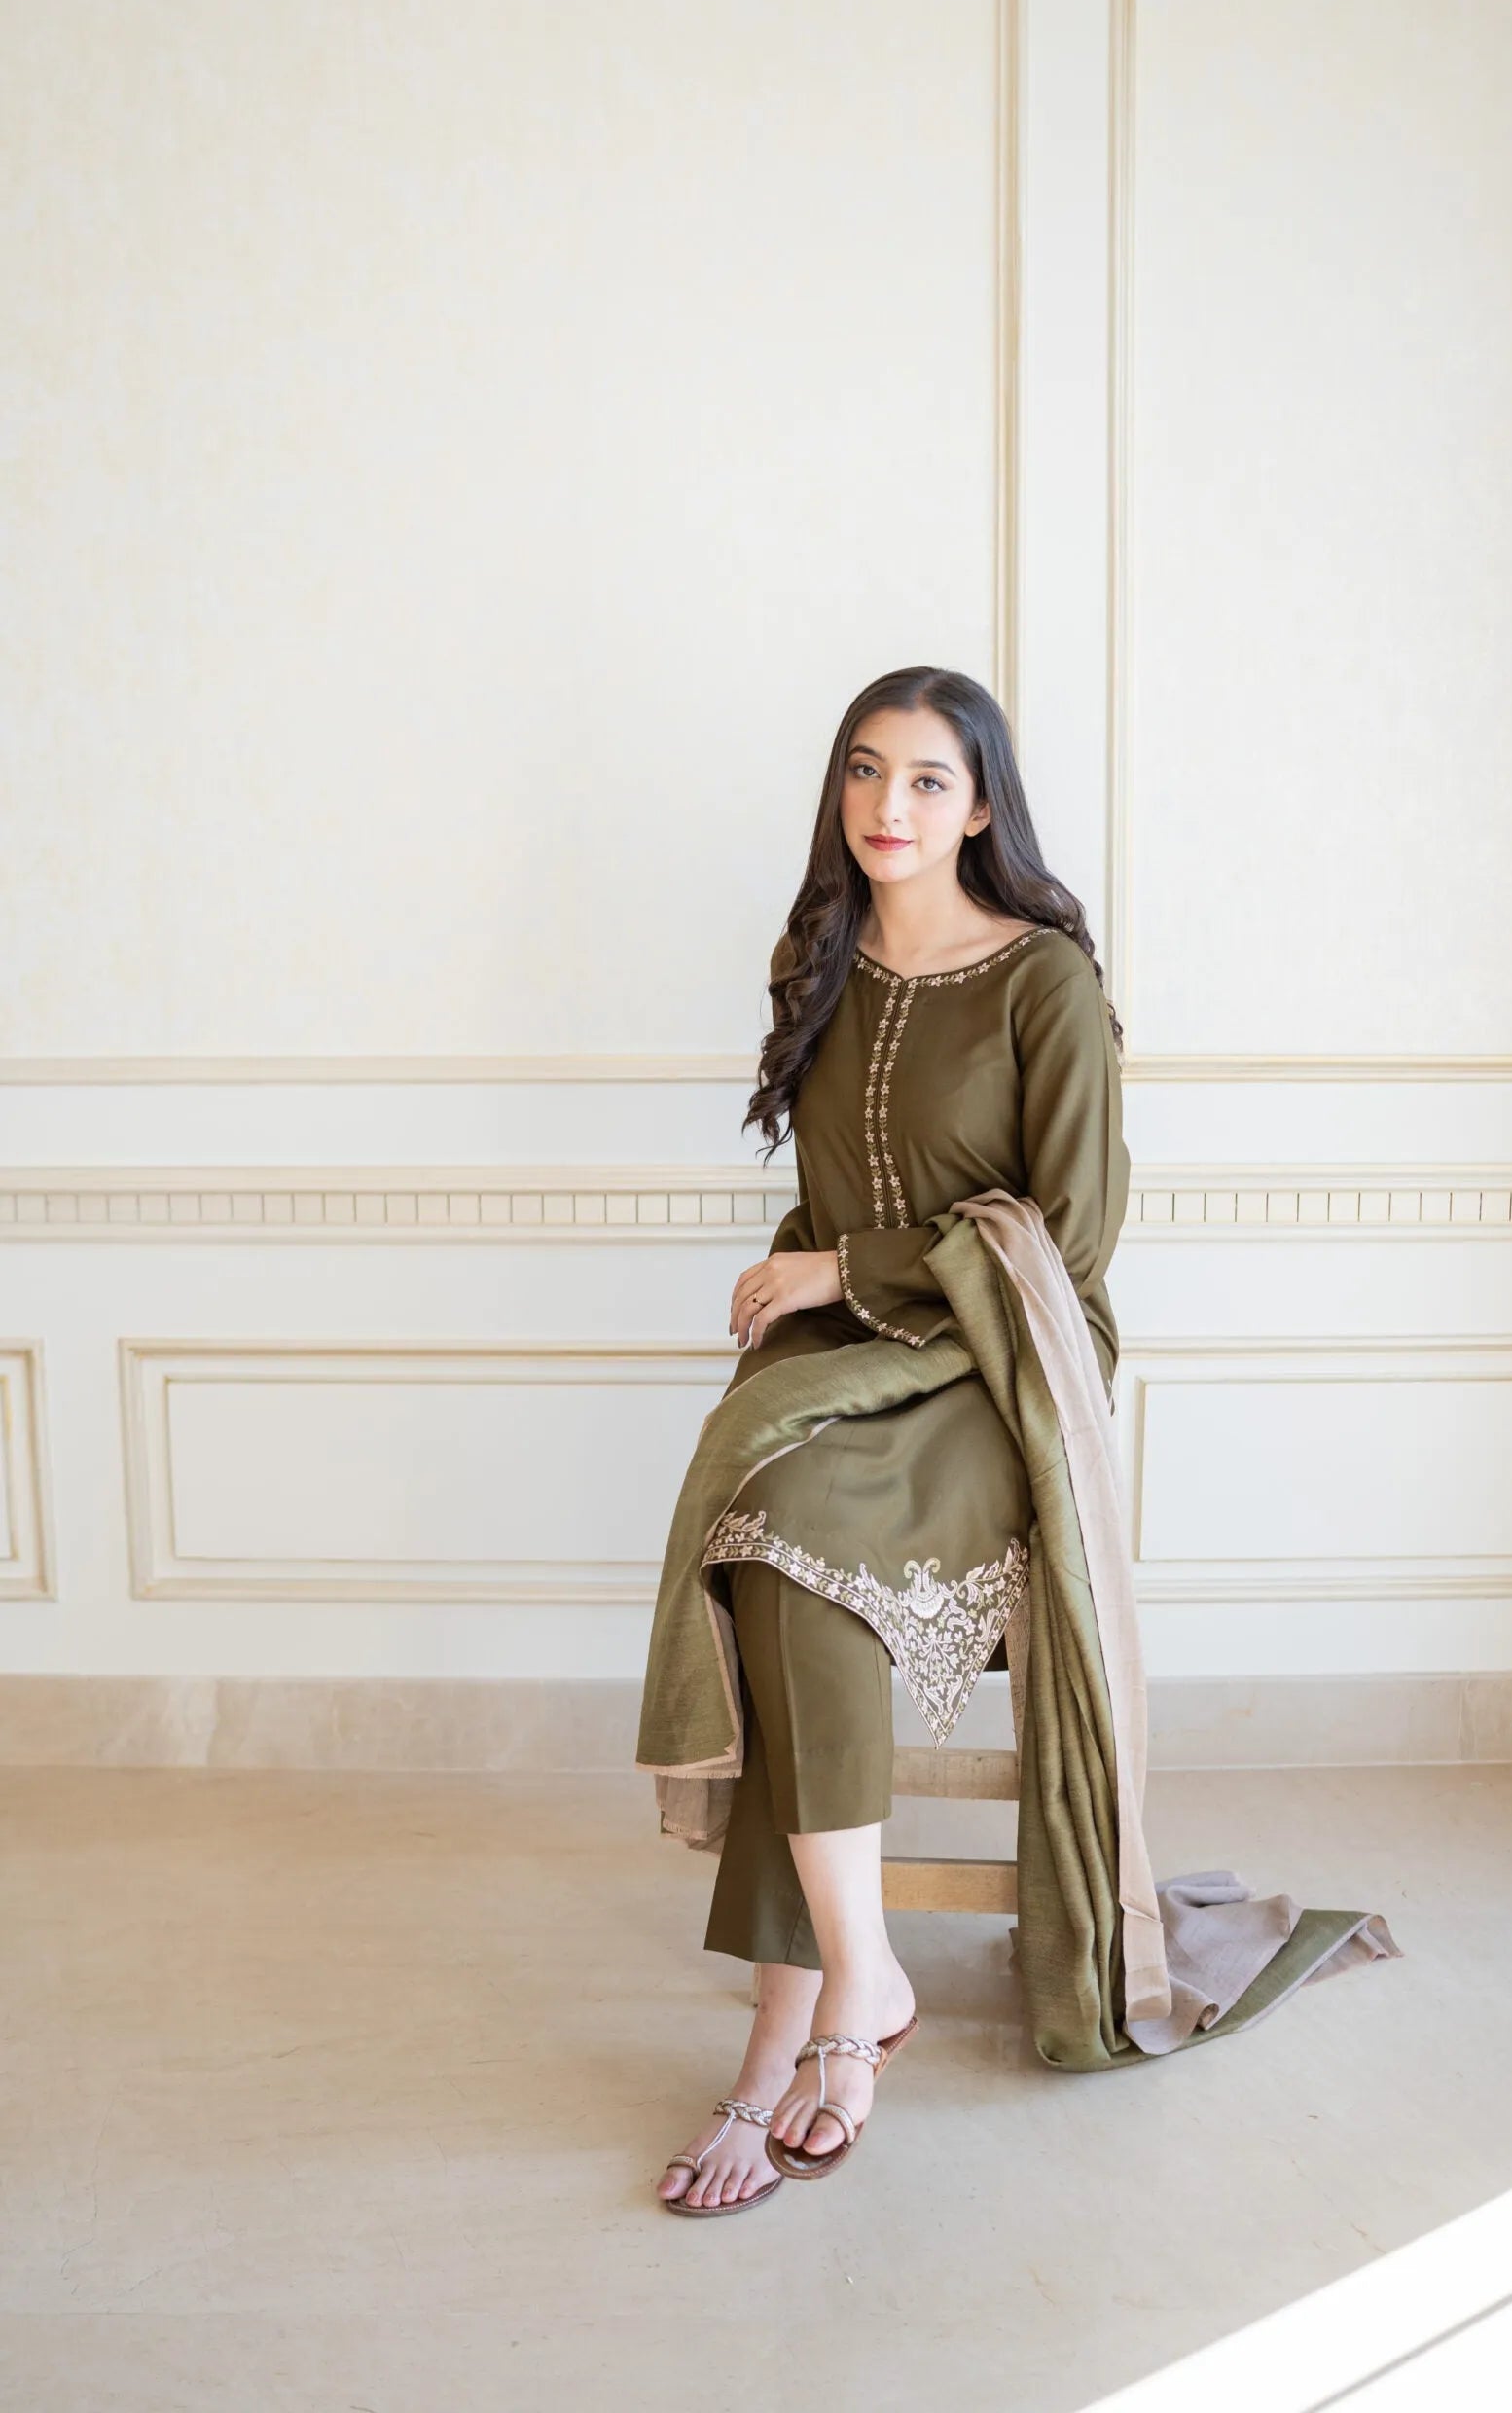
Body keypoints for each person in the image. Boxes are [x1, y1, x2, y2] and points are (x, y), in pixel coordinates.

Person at [648, 665, 1128, 2216]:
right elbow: (838, 1186)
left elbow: (1071, 1237)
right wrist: (810, 1296)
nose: (888, 807)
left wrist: (841, 1272)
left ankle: (816, 2019)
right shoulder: (826, 957)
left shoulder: (1041, 979)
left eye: (927, 780)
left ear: (980, 805)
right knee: (761, 1540)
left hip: (1006, 1372)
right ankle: (839, 2007)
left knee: (809, 1543)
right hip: (845, 1359)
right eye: (864, 771)